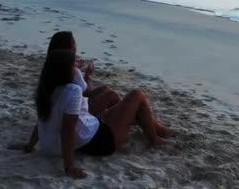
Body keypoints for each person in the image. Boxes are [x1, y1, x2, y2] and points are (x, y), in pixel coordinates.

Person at [36, 49, 175, 179]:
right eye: (74, 65)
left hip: (92, 129)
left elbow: (42, 119)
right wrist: (69, 167)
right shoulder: (72, 91)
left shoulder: (47, 89)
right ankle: (154, 138)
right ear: (66, 70)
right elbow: (67, 129)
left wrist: (29, 146)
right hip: (103, 142)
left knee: (116, 97)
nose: (76, 68)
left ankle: (157, 129)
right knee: (137, 94)